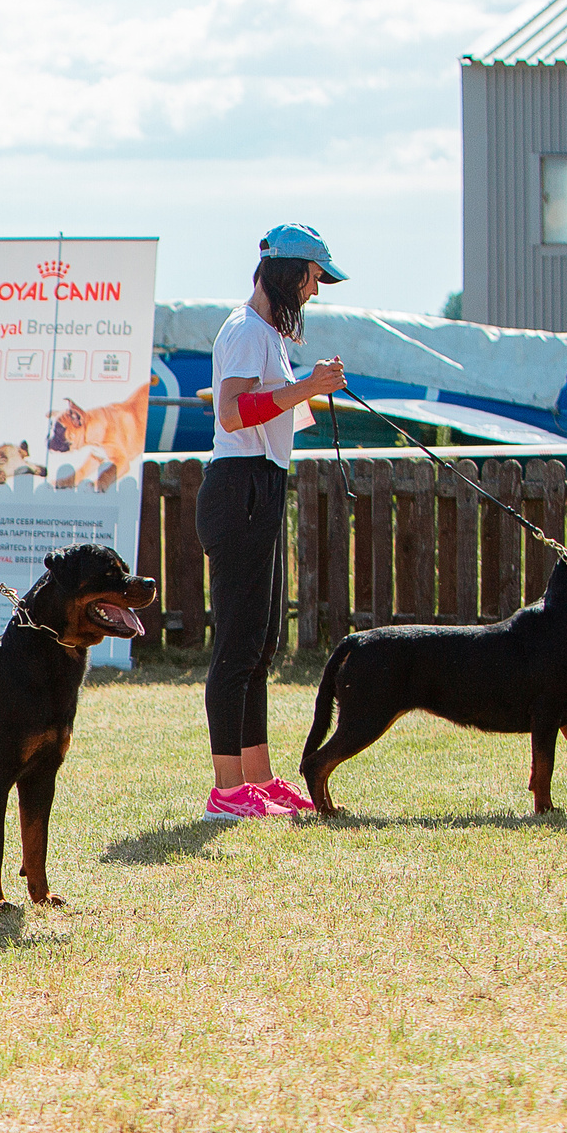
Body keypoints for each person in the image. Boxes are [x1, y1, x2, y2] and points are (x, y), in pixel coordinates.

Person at [198, 224, 350, 821]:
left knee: (262, 643)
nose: (314, 290)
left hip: (260, 483)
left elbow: (270, 412)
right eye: (313, 278)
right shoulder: (244, 330)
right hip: (238, 486)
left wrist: (308, 387)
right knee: (236, 645)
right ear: (288, 272)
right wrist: (307, 386)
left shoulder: (268, 334)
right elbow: (233, 413)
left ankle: (257, 779)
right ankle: (226, 791)